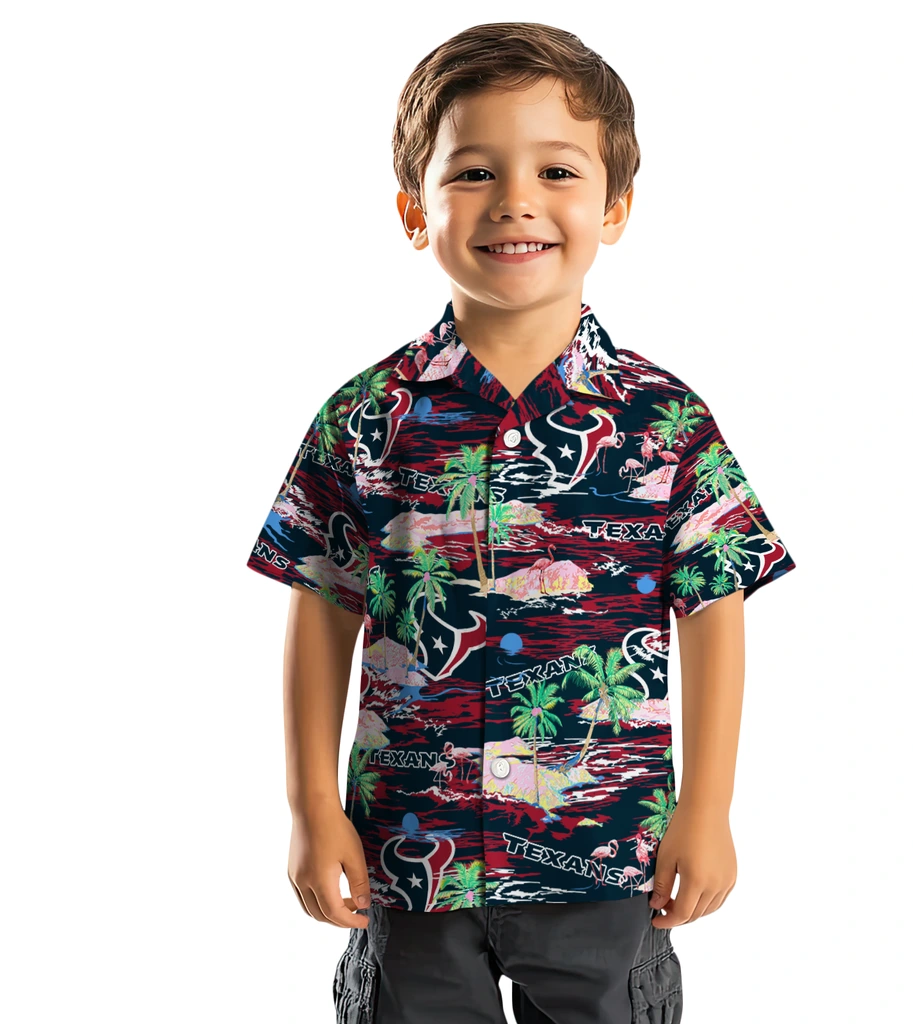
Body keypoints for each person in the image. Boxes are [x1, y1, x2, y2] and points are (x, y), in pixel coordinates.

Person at [245, 21, 797, 1024]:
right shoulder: (365, 419)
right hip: (409, 858)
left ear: (614, 207)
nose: (515, 201)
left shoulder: (665, 420)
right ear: (414, 211)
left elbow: (715, 607)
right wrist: (310, 807)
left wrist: (709, 809)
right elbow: (321, 608)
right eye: (473, 173)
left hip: (606, 854)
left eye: (556, 170)